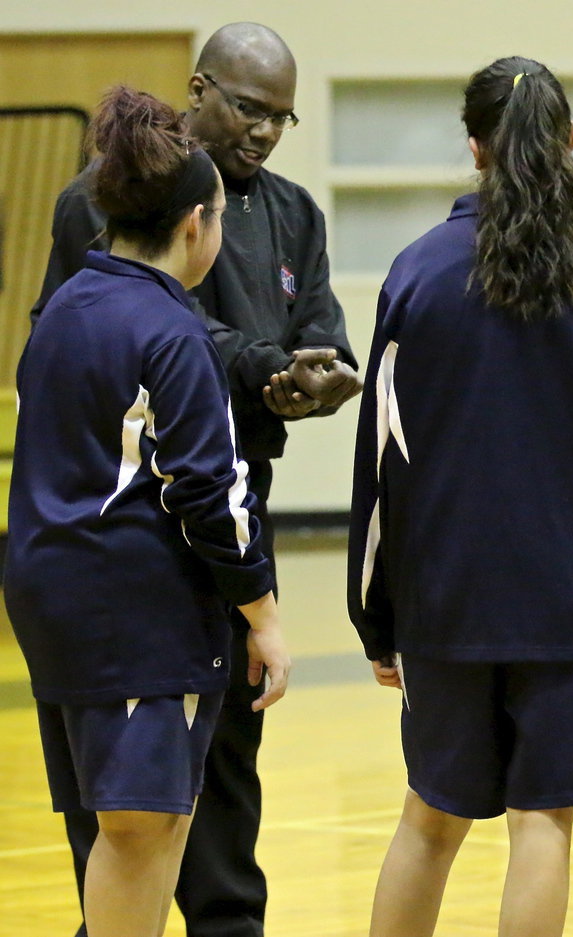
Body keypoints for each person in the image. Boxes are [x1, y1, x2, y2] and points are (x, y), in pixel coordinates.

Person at [29, 23, 359, 937]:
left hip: (220, 508)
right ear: (199, 87)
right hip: (134, 528)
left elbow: (313, 334)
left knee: (221, 771)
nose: (262, 132)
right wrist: (260, 368)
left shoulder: (293, 213)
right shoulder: (105, 210)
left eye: (280, 119)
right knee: (120, 804)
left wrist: (313, 379)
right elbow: (165, 348)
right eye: (249, 108)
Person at [346, 56, 573, 937]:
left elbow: (379, 468)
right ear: (571, 141)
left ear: (474, 146)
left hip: (445, 606)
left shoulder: (414, 278)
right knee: (545, 823)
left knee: (430, 820)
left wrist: (374, 613)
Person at [4, 86, 291, 937]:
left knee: (146, 824)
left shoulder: (62, 311)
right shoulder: (170, 332)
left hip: (55, 595)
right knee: (139, 829)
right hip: (130, 604)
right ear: (197, 223)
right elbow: (208, 488)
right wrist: (263, 614)